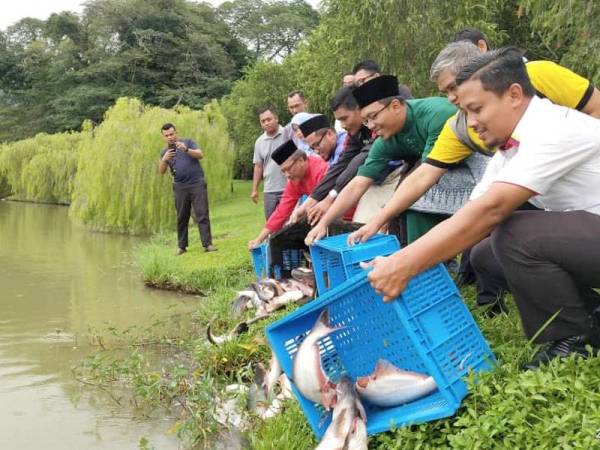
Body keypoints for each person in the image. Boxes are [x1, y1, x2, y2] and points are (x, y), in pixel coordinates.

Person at [366, 47, 600, 370]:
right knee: (484, 253)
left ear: (514, 94)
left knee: (514, 232)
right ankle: (589, 313)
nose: (471, 123)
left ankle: (575, 338)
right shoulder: (509, 145)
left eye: (476, 109)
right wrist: (406, 260)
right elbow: (473, 209)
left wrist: (404, 265)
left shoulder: (552, 129)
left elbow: (491, 210)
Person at [305, 75, 458, 246]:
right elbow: (358, 183)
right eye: (365, 120)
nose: (370, 126)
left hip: (472, 175)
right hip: (435, 177)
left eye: (373, 116)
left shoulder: (436, 115)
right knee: (403, 212)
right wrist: (324, 223)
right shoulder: (385, 140)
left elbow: (424, 177)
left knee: (414, 205)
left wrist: (380, 217)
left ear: (395, 106)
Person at [304, 86, 375, 225]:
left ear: (359, 108)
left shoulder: (376, 127)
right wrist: (313, 199)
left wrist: (331, 197)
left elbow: (361, 159)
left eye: (344, 118)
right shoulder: (355, 134)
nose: (342, 126)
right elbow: (341, 165)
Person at [248, 140, 328, 249]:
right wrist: (259, 238)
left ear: (301, 160)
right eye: (283, 171)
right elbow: (281, 212)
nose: (287, 175)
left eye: (288, 169)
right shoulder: (295, 180)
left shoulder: (320, 169)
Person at [158, 123, 216, 255]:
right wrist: (164, 160)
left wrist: (186, 149)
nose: (170, 137)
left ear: (176, 133)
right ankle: (182, 246)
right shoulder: (164, 152)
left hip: (197, 183)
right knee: (181, 216)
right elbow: (161, 171)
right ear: (163, 137)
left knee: (202, 214)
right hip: (180, 186)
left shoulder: (188, 142)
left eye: (172, 134)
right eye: (167, 135)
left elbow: (200, 154)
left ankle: (208, 244)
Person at [252, 105, 288, 220]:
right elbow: (258, 166)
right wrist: (254, 190)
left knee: (291, 224)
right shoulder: (259, 142)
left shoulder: (287, 134)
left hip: (288, 188)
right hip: (269, 190)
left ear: (276, 118)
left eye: (269, 119)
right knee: (272, 224)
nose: (266, 123)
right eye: (263, 121)